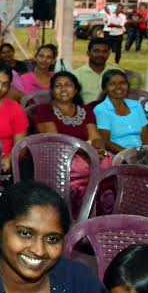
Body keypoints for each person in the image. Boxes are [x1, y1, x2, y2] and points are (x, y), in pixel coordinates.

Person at [35, 72, 109, 207]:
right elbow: (56, 141)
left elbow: (95, 136)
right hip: (59, 157)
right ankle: (78, 207)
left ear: (76, 90)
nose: (63, 89)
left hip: (87, 154)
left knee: (109, 161)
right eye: (58, 86)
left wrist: (98, 150)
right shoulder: (44, 109)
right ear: (52, 91)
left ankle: (100, 206)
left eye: (68, 85)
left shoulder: (86, 110)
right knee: (81, 168)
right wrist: (86, 152)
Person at [93, 69, 148, 153]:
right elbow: (106, 142)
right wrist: (129, 156)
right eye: (112, 84)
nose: (118, 87)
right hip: (118, 155)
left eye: (122, 83)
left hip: (141, 154)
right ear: (105, 89)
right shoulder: (101, 110)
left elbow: (146, 135)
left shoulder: (136, 105)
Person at [72, 38, 113, 105]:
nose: (100, 54)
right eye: (96, 51)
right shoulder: (76, 75)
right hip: (87, 112)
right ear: (88, 53)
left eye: (104, 51)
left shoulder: (117, 73)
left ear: (109, 54)